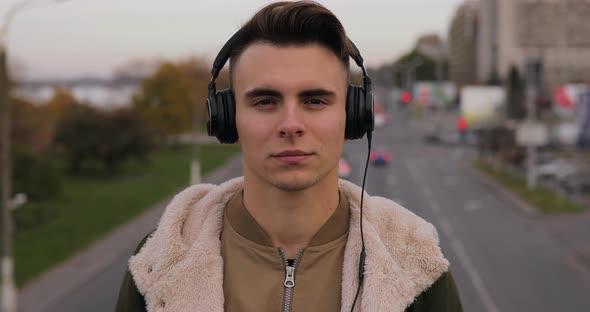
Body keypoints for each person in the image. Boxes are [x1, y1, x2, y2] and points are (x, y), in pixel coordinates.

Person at [115, 1, 463, 311]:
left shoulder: (416, 269)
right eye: (265, 101)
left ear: (355, 116)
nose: (291, 125)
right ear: (226, 118)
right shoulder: (158, 263)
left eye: (315, 101)